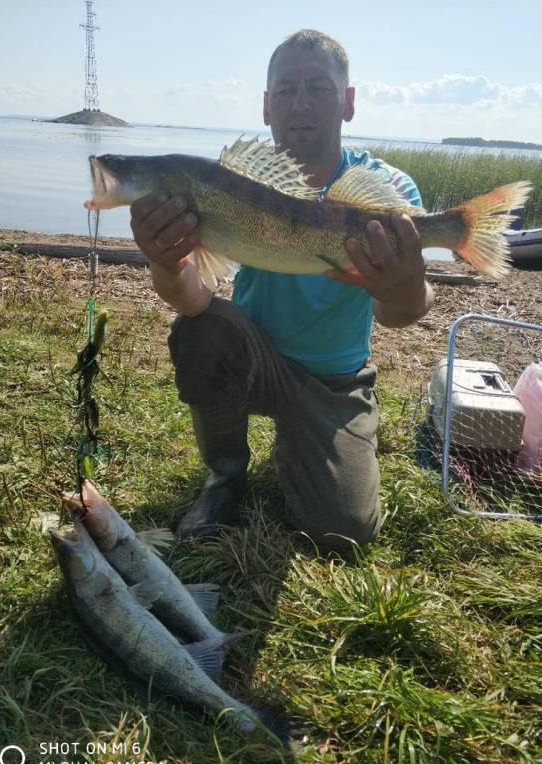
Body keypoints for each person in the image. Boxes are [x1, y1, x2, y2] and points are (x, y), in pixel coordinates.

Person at [130, 30, 434, 555]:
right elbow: (194, 300)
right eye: (287, 91)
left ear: (349, 102)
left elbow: (399, 314)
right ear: (267, 107)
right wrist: (165, 262)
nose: (302, 103)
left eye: (319, 87)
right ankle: (224, 477)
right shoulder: (229, 184)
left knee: (344, 534)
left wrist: (406, 286)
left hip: (336, 382)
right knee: (203, 331)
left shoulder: (388, 191)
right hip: (252, 358)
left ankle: (308, 442)